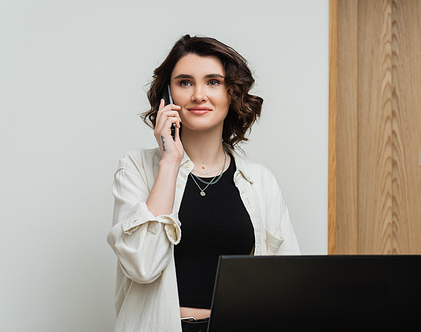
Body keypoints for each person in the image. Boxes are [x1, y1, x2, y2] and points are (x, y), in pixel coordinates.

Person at [107, 34, 301, 332]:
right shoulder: (137, 168)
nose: (199, 95)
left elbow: (289, 282)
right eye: (185, 82)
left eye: (213, 82)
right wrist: (170, 161)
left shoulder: (260, 181)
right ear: (167, 97)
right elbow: (141, 266)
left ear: (232, 93)